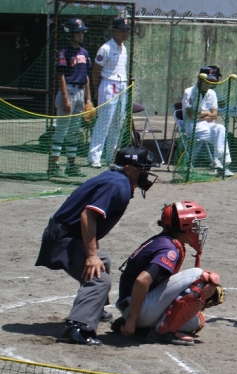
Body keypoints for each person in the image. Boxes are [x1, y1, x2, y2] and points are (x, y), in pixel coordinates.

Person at [35, 146, 159, 345]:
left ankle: (94, 309)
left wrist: (94, 254)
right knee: (99, 280)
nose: (146, 173)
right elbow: (88, 215)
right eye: (142, 169)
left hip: (66, 234)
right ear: (128, 168)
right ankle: (77, 329)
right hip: (63, 238)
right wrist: (91, 255)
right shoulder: (117, 185)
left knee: (103, 260)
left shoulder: (116, 179)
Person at [112, 201, 224, 346]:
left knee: (195, 322)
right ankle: (161, 332)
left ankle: (140, 324)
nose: (197, 229)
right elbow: (142, 281)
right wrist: (132, 320)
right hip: (137, 310)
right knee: (200, 276)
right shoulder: (168, 249)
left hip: (132, 306)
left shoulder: (163, 240)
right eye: (195, 225)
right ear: (184, 226)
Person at [49, 18, 91, 179]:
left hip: (80, 92)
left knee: (74, 131)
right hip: (68, 91)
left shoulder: (84, 52)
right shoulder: (64, 52)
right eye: (78, 33)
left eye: (82, 32)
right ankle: (54, 166)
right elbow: (60, 75)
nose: (81, 35)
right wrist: (65, 98)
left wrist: (88, 99)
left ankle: (71, 166)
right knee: (61, 130)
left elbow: (86, 77)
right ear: (70, 34)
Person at [88, 17, 132, 168]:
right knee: (104, 122)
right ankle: (94, 157)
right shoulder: (105, 48)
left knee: (118, 123)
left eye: (127, 31)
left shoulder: (124, 48)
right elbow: (96, 70)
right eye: (122, 30)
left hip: (122, 85)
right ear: (114, 30)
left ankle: (112, 156)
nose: (125, 33)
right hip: (108, 84)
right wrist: (96, 89)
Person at [182, 66, 233, 176]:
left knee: (221, 128)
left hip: (208, 124)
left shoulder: (212, 93)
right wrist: (206, 113)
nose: (208, 84)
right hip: (193, 126)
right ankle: (222, 164)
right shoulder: (189, 92)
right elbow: (191, 115)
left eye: (211, 81)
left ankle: (219, 162)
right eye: (206, 80)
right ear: (200, 78)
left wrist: (201, 114)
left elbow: (214, 115)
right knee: (220, 137)